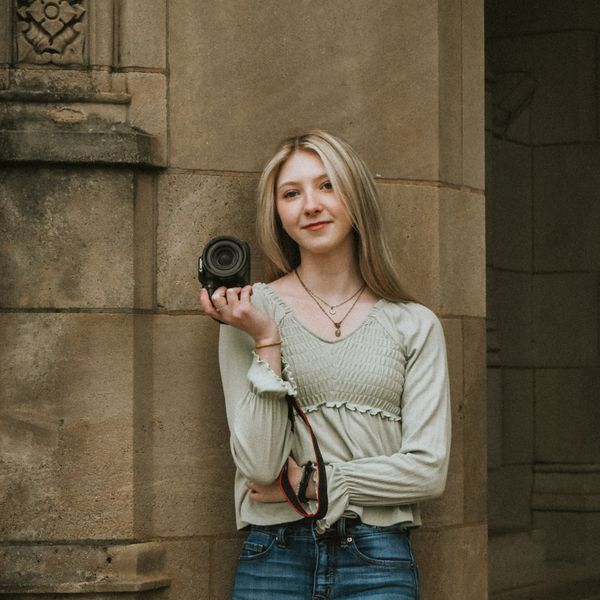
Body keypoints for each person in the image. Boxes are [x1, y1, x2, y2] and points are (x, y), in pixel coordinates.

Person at [199, 130, 451, 600]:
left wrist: (313, 482)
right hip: (273, 555)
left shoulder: (415, 324)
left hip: (378, 559)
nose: (310, 205)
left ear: (357, 196)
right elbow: (258, 467)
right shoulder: (247, 314)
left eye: (327, 185)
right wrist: (266, 339)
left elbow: (429, 470)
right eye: (291, 193)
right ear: (276, 212)